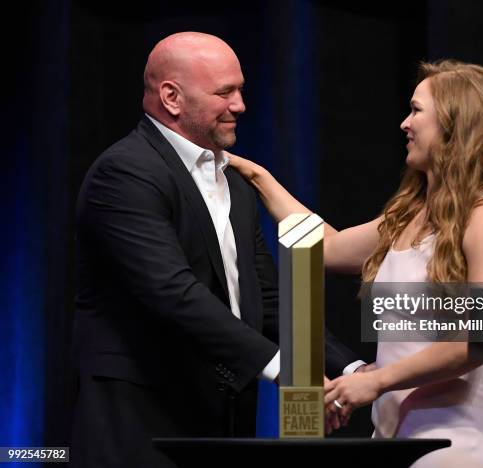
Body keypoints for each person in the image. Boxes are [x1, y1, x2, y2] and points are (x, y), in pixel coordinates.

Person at [228, 59, 483, 467]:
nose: (404, 124)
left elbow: (480, 338)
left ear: (454, 124)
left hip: (453, 443)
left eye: (416, 110)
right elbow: (325, 247)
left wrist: (376, 380)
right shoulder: (412, 215)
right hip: (398, 433)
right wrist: (257, 178)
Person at [71, 32, 363, 468]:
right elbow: (173, 292)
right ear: (171, 97)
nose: (241, 104)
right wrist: (288, 370)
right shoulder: (126, 172)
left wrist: (351, 370)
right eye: (225, 92)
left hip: (221, 419)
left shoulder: (234, 182)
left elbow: (267, 297)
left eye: (241, 89)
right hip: (143, 424)